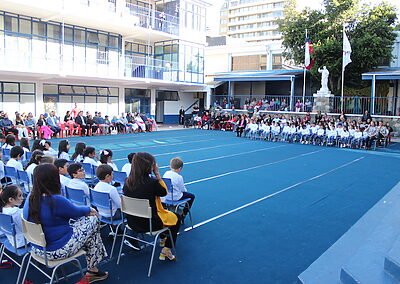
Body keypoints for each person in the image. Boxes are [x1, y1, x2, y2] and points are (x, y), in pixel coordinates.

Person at [23, 163, 108, 283]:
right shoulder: (55, 200)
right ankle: (93, 270)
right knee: (93, 220)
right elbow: (76, 211)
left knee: (89, 232)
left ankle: (93, 270)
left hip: (37, 248)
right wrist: (90, 210)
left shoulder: (30, 198)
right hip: (56, 250)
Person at [123, 152, 180, 261]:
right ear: (149, 166)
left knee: (166, 216)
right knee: (177, 218)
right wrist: (157, 174)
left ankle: (163, 238)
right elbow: (164, 192)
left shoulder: (127, 181)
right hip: (149, 224)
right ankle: (167, 248)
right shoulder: (152, 183)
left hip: (132, 222)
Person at [162, 157, 195, 221]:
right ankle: (184, 214)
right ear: (180, 168)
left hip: (166, 196)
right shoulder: (179, 177)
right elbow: (182, 189)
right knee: (192, 196)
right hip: (175, 197)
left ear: (170, 166)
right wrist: (185, 191)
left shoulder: (166, 173)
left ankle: (169, 209)